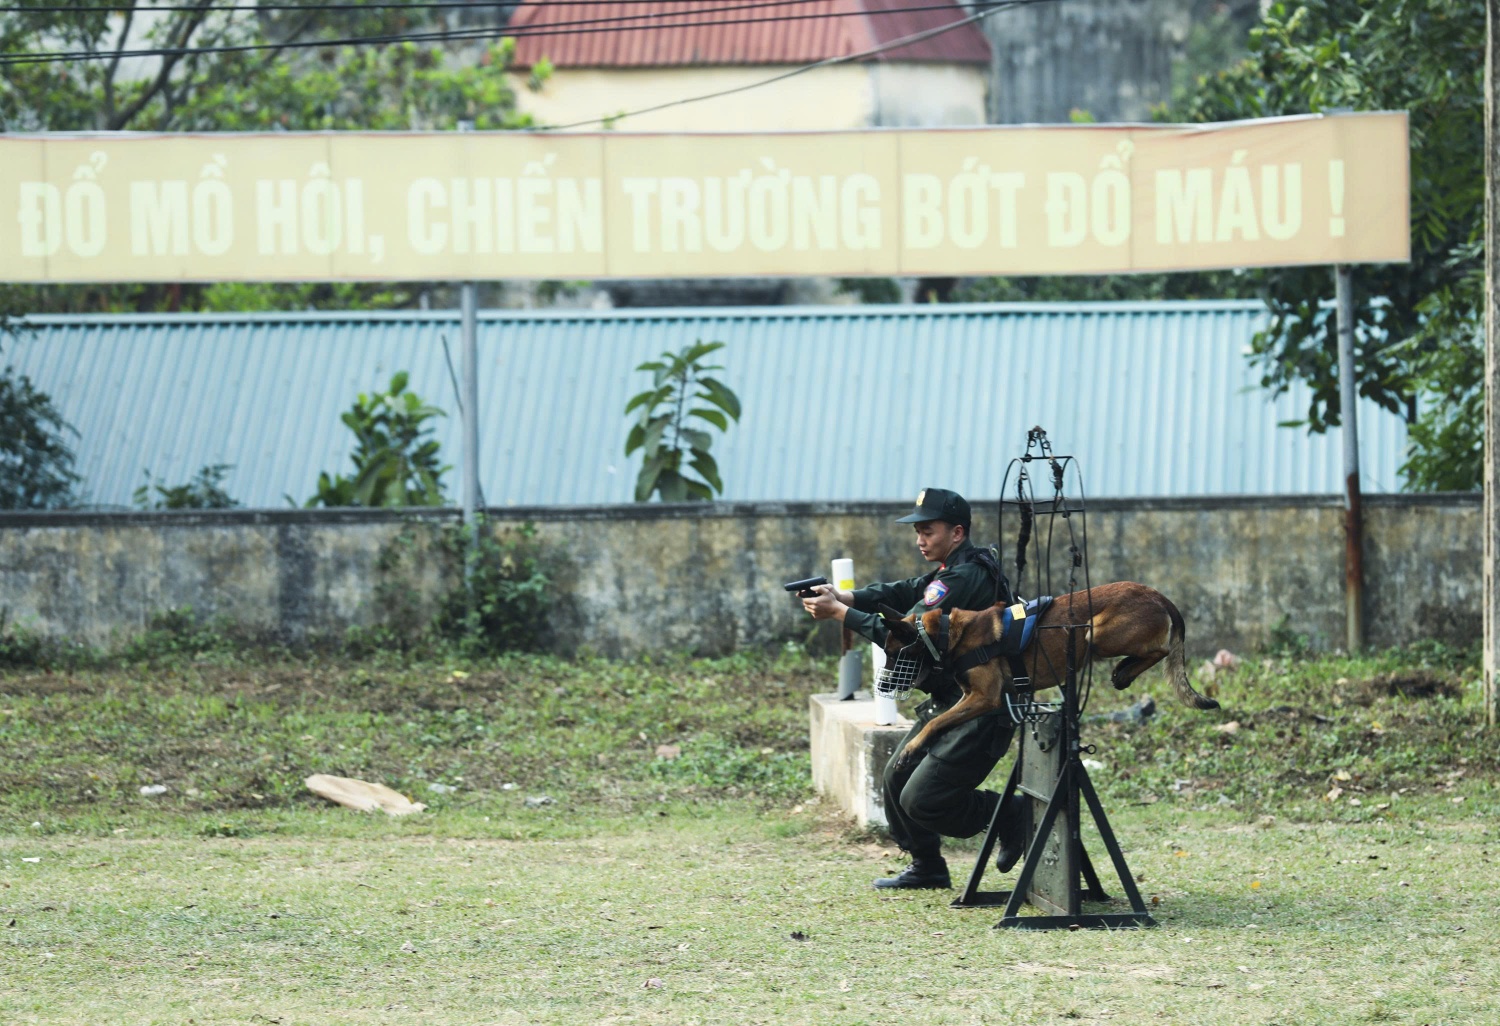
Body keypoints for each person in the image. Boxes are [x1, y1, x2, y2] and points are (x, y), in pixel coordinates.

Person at [802, 487, 1026, 889]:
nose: (920, 540)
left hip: (984, 707)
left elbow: (911, 633)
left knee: (922, 799)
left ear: (956, 533)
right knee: (896, 778)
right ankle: (928, 867)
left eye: (928, 530)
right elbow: (903, 591)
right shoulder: (950, 570)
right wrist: (846, 596)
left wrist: (840, 613)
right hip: (954, 699)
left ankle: (1011, 814)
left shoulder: (966, 575)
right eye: (917, 531)